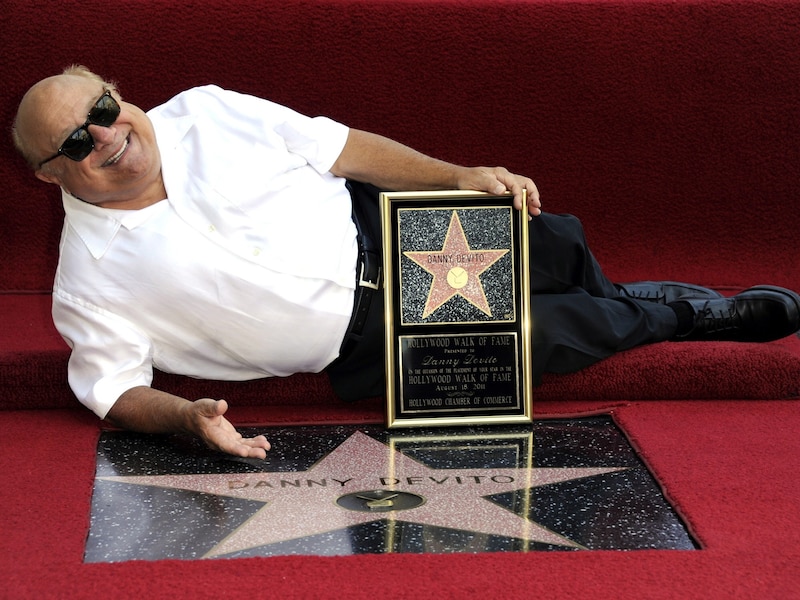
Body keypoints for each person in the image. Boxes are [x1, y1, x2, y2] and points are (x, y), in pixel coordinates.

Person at [13, 66, 800, 459]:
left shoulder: (210, 112)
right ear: (50, 174)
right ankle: (689, 314)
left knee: (555, 242)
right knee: (565, 334)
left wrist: (456, 176)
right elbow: (112, 388)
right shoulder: (88, 280)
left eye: (102, 111)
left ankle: (632, 297)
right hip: (370, 344)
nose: (106, 136)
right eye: (76, 142)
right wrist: (185, 420)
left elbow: (345, 149)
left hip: (398, 235)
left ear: (117, 93)